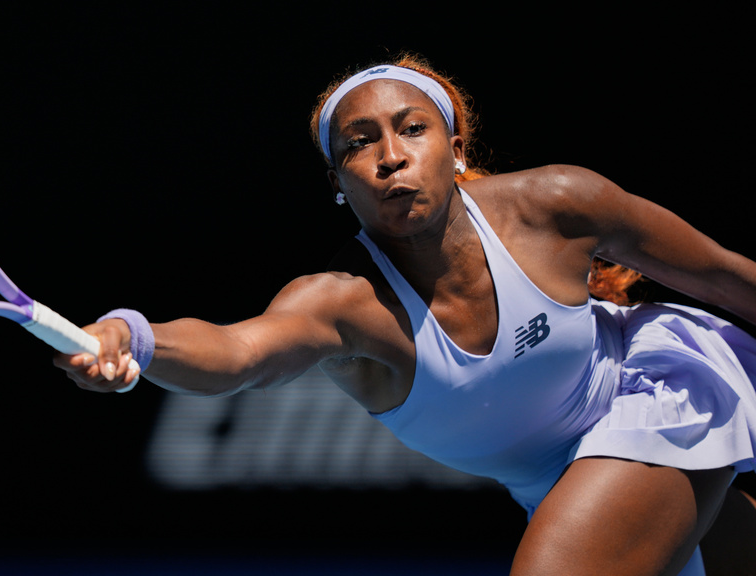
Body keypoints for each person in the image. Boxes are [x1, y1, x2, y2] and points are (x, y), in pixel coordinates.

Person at [53, 53, 756, 575]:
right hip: (552, 483)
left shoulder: (555, 203)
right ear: (337, 182)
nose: (390, 157)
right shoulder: (342, 303)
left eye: (411, 129)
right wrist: (134, 338)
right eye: (359, 143)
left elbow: (726, 278)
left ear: (454, 149)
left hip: (653, 393)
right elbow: (238, 354)